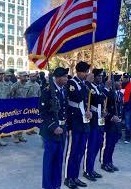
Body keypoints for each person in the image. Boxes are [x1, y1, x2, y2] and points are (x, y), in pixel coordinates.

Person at [39, 67, 69, 189]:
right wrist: (53, 126)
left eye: (67, 76)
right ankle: (47, 186)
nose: (66, 79)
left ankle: (56, 185)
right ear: (57, 78)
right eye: (64, 77)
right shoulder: (47, 91)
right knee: (49, 161)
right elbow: (42, 112)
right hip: (51, 131)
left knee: (58, 159)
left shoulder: (63, 90)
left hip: (62, 130)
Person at [65, 61, 92, 189]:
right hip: (74, 122)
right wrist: (87, 84)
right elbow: (78, 97)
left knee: (80, 151)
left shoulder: (83, 84)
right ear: (79, 72)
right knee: (72, 152)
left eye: (87, 72)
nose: (87, 74)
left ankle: (75, 177)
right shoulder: (71, 83)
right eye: (85, 72)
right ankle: (68, 177)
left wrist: (89, 112)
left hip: (84, 122)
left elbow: (87, 101)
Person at [83, 69, 105, 181]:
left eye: (101, 76)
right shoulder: (89, 87)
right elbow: (96, 99)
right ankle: (87, 170)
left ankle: (91, 169)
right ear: (93, 76)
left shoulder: (99, 87)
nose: (100, 78)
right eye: (98, 76)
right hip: (93, 119)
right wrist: (87, 82)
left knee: (97, 145)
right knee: (91, 146)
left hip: (100, 118)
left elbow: (102, 98)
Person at [100, 74, 122, 172]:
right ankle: (104, 163)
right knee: (107, 145)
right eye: (118, 81)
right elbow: (104, 109)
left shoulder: (118, 93)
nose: (120, 83)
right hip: (108, 122)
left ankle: (109, 162)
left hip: (115, 123)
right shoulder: (106, 92)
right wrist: (107, 87)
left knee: (112, 144)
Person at [10, 71, 30, 143]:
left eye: (26, 76)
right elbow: (11, 95)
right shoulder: (15, 85)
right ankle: (15, 136)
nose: (25, 77)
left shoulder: (28, 85)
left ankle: (20, 135)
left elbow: (28, 95)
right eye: (24, 76)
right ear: (19, 77)